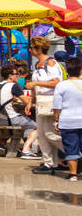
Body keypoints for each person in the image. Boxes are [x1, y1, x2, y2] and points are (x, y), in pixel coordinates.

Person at [26, 35, 64, 175]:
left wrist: (36, 83)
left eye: (32, 47)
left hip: (50, 101)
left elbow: (56, 82)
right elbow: (35, 88)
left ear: (38, 49)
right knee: (42, 134)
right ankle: (49, 163)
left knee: (50, 133)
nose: (30, 50)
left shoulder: (51, 63)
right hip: (41, 102)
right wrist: (31, 101)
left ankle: (73, 153)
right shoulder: (38, 65)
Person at [52, 56, 82, 182]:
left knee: (71, 148)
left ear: (67, 71)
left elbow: (57, 106)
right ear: (80, 70)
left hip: (67, 121)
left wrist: (56, 120)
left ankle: (73, 174)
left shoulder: (61, 86)